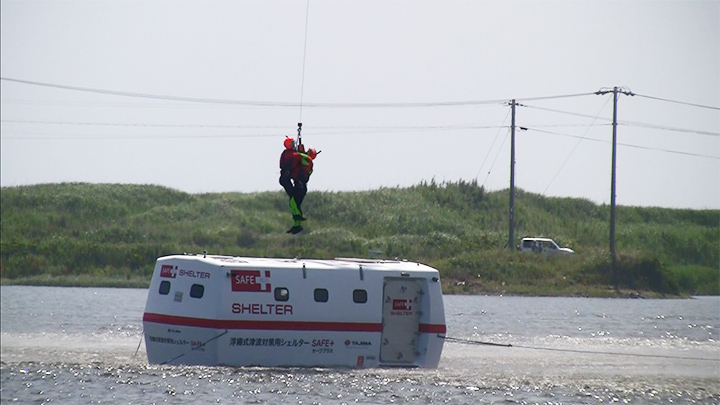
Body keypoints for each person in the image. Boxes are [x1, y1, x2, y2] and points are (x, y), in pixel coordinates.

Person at [279, 137, 304, 234]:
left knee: (293, 200)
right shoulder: (292, 155)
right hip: (286, 179)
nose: (294, 145)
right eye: (293, 144)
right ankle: (297, 215)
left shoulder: (285, 153)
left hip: (284, 178)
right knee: (293, 199)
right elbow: (300, 156)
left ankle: (296, 224)